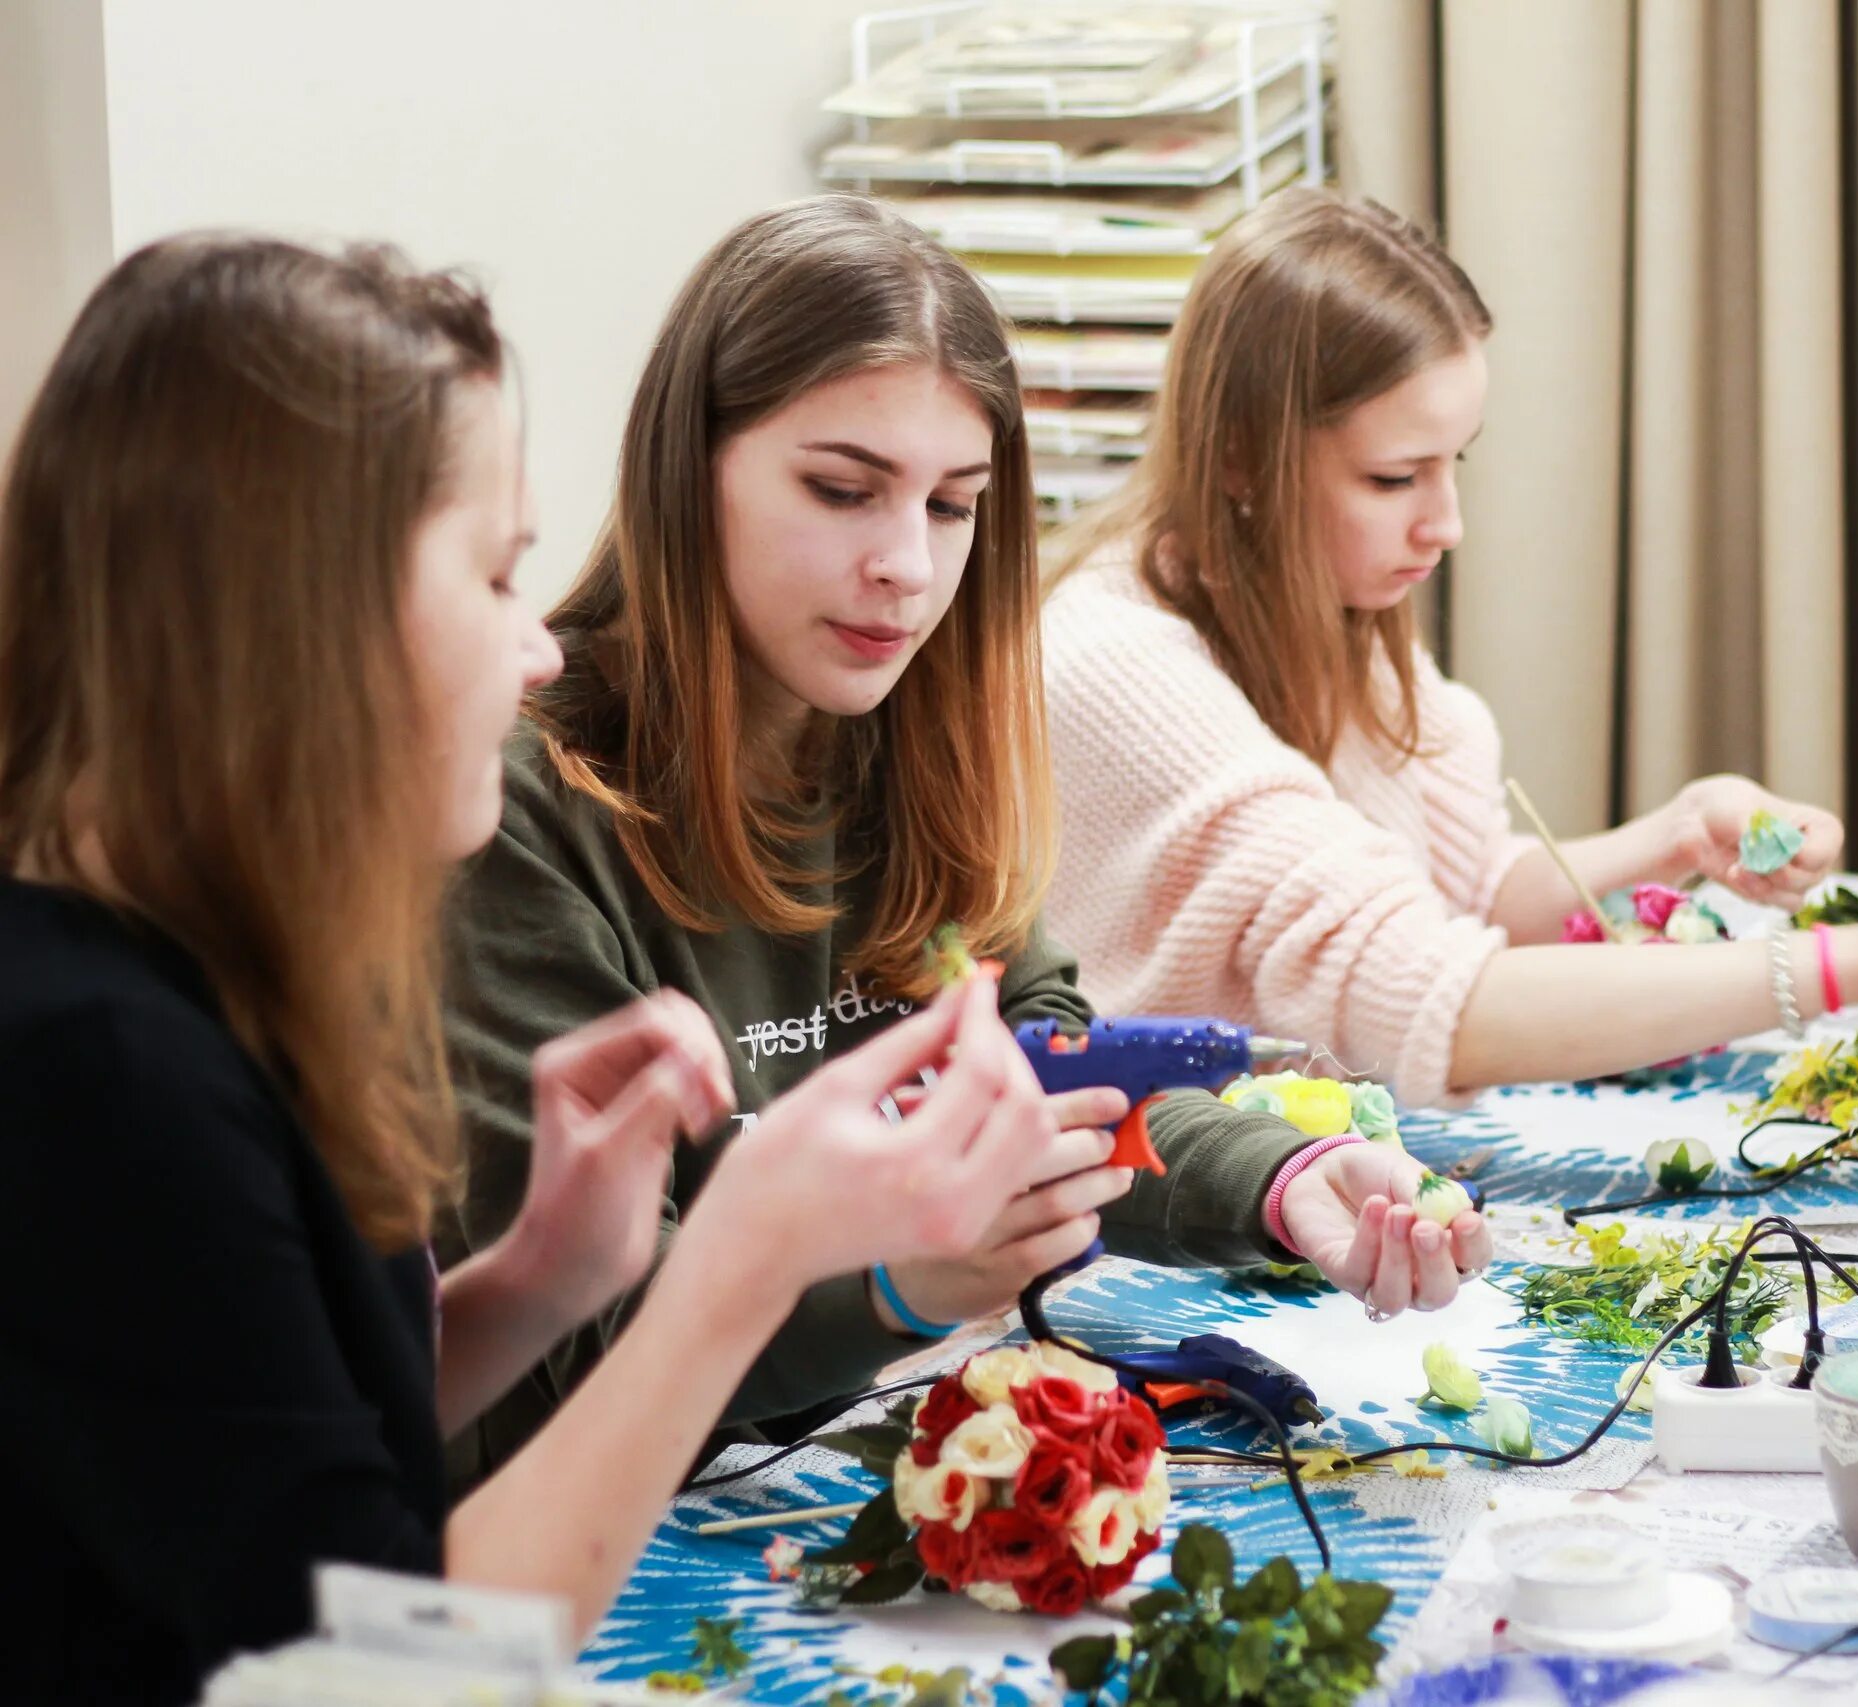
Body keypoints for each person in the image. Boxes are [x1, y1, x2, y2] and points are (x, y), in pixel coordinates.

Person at [0, 235, 1072, 1702]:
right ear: (296, 611)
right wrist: (745, 1262)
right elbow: (363, 1663)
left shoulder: (204, 968)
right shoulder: (89, 1065)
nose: (540, 651)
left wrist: (536, 1282)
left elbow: (276, 1452)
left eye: (952, 505)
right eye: (499, 574)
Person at [439, 196, 1492, 1482]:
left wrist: (1281, 1179)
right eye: (841, 489)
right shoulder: (517, 809)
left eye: (952, 505)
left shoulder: (902, 736)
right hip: (585, 1526)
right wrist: (894, 1287)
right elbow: (579, 1343)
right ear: (685, 469)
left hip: (834, 1457)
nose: (905, 566)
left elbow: (1051, 1066)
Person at [1043, 186, 1858, 1111]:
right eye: (1393, 477)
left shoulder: (1309, 603)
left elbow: (1450, 905)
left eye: (1455, 461)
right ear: (1240, 457)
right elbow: (1428, 997)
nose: (1446, 522)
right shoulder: (1115, 664)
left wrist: (1678, 833)